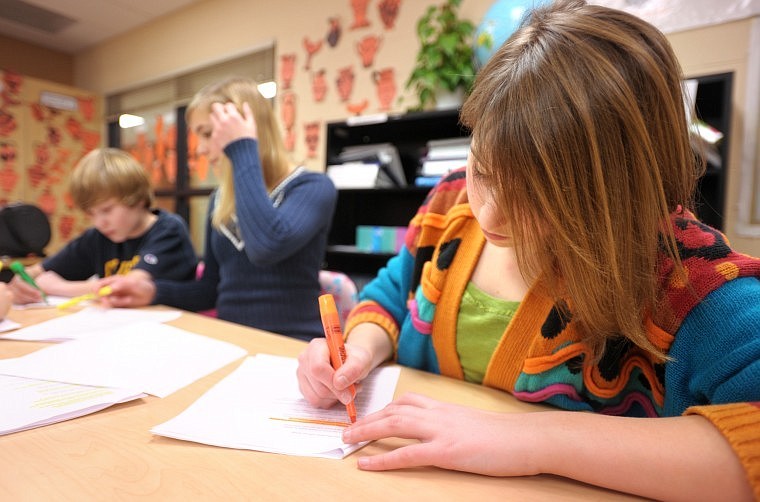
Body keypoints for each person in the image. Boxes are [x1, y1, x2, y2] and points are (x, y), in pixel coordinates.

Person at [296, 1, 760, 500]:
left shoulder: (691, 279)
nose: (489, 216)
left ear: (620, 195)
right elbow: (392, 292)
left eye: (538, 200)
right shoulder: (450, 202)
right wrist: (359, 352)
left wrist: (530, 439)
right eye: (484, 170)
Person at [101, 77, 338, 341]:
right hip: (230, 339)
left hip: (292, 343)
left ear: (247, 129)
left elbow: (266, 246)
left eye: (207, 133)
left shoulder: (313, 187)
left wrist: (243, 149)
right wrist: (154, 292)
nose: (201, 149)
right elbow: (211, 290)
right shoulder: (220, 199)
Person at [9, 148, 197, 303]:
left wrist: (57, 287)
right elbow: (37, 272)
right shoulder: (98, 236)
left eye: (107, 210)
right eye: (91, 213)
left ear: (138, 199)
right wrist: (20, 283)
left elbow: (126, 288)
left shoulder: (168, 230)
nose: (99, 222)